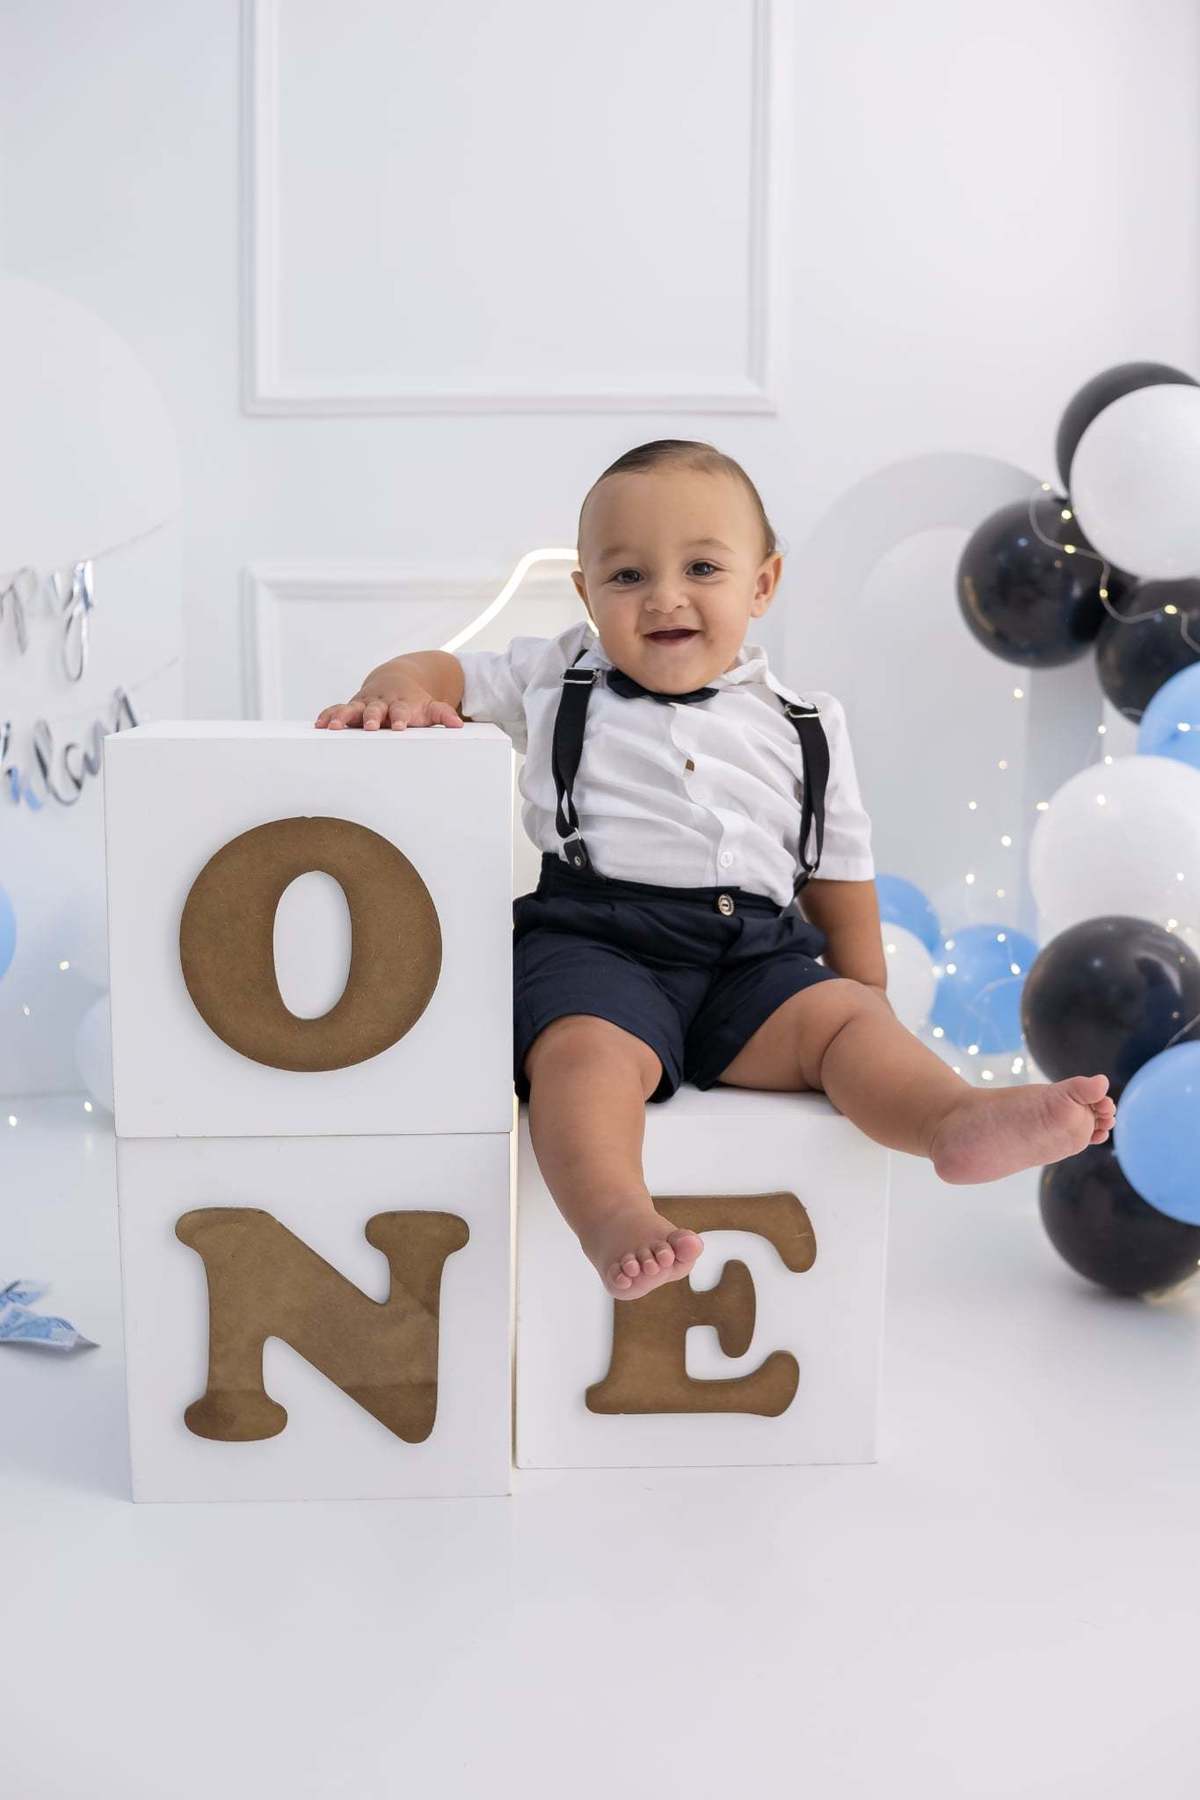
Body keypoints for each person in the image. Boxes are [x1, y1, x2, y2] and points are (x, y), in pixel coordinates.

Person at [315, 439, 1115, 1301]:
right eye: (626, 577)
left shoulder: (808, 721)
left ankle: (952, 1120)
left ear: (761, 585)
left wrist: (865, 991)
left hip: (755, 957)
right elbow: (445, 669)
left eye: (702, 567)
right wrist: (394, 683)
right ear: (585, 594)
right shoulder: (556, 673)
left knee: (847, 1023)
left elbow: (839, 867)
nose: (664, 596)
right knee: (581, 1055)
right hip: (597, 943)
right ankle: (615, 1212)